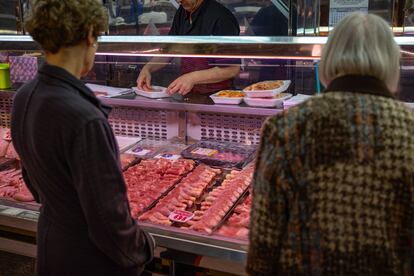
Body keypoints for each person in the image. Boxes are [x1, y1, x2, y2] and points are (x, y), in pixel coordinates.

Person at [247, 13, 414, 275]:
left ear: (329, 58)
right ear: (391, 62)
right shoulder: (409, 130)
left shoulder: (286, 127)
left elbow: (264, 240)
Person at [11, 1, 154, 275]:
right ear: (89, 34)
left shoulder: (24, 96)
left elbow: (35, 184)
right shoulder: (84, 117)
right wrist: (145, 247)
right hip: (92, 261)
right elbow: (107, 219)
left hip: (53, 248)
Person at [136, 0, 240, 95]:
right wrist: (147, 68)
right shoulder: (182, 12)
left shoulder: (222, 17)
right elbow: (169, 51)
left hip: (218, 97)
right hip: (188, 94)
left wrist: (192, 78)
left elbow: (231, 69)